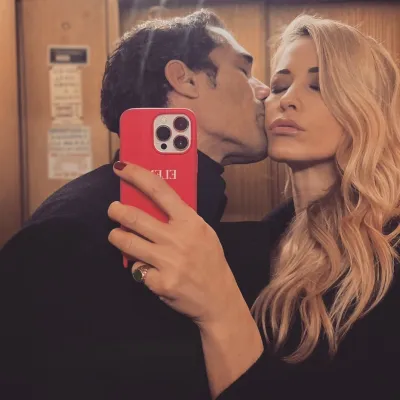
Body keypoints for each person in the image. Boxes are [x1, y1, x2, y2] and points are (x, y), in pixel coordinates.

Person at [108, 15, 400, 400]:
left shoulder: (390, 244)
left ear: (366, 108)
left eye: (318, 86)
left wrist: (218, 308)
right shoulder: (254, 243)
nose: (286, 99)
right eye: (279, 86)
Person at [0, 10, 273, 400]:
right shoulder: (67, 235)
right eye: (244, 71)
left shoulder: (205, 217)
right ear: (185, 79)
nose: (263, 91)